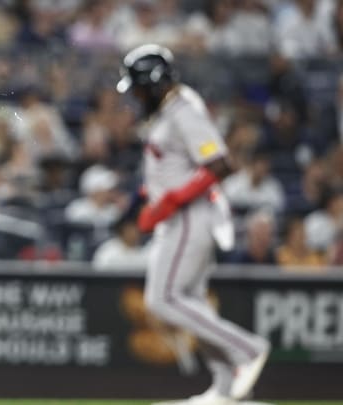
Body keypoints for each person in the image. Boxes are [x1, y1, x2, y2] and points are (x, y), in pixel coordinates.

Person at [117, 44, 269, 405]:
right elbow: (171, 164)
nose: (137, 96)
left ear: (155, 84)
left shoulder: (184, 109)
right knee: (192, 302)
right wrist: (148, 196)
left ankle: (246, 350)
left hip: (189, 216)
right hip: (182, 214)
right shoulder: (170, 109)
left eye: (139, 88)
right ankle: (227, 388)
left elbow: (220, 164)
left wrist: (171, 200)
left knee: (163, 299)